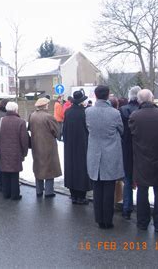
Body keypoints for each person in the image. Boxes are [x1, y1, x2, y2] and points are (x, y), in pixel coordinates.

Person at [129, 89, 158, 232]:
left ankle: (142, 222)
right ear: (152, 99)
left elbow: (132, 136)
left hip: (141, 160)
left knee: (142, 192)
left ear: (139, 101)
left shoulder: (134, 116)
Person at [85, 85, 124, 229]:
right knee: (109, 188)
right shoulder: (115, 113)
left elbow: (88, 128)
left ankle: (99, 219)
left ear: (95, 95)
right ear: (108, 95)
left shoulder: (88, 112)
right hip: (110, 153)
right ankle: (108, 220)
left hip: (94, 153)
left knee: (97, 187)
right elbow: (121, 130)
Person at [0, 102, 29, 200]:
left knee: (5, 172)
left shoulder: (1, 120)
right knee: (14, 173)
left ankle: (6, 193)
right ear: (16, 110)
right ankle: (15, 195)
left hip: (3, 150)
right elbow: (24, 139)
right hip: (16, 151)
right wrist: (24, 152)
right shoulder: (21, 122)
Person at [29, 98, 61, 198]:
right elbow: (57, 132)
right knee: (49, 169)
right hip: (48, 146)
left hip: (35, 145)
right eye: (47, 104)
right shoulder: (48, 117)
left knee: (38, 167)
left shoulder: (32, 116)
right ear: (45, 105)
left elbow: (29, 128)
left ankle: (39, 190)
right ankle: (49, 191)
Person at [63, 90, 91, 205]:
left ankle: (73, 195)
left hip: (69, 145)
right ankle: (81, 197)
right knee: (82, 169)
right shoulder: (85, 112)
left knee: (71, 168)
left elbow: (64, 129)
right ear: (81, 102)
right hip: (82, 145)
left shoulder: (68, 112)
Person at [119, 86, 141, 219]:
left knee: (127, 180)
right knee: (142, 181)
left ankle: (127, 209)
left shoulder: (122, 110)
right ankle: (142, 209)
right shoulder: (142, 110)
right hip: (141, 149)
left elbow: (121, 130)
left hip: (126, 148)